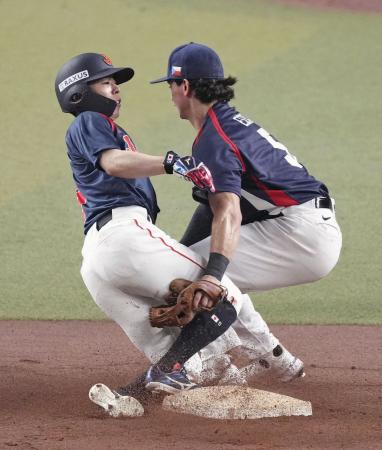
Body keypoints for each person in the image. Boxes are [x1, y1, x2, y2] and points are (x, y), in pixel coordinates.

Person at [55, 53, 277, 412]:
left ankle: (132, 399)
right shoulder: (90, 121)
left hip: (98, 263)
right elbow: (114, 163)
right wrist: (171, 162)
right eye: (105, 81)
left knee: (186, 354)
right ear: (79, 93)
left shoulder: (94, 129)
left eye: (116, 82)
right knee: (223, 292)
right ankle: (279, 360)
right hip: (124, 237)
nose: (116, 88)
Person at [150, 42, 342, 383]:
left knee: (196, 272)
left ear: (186, 87)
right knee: (194, 264)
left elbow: (228, 212)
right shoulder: (226, 124)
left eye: (171, 84)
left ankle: (196, 366)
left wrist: (209, 272)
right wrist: (185, 250)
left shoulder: (214, 138)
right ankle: (274, 360)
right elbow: (212, 207)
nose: (171, 93)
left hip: (300, 234)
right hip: (303, 225)